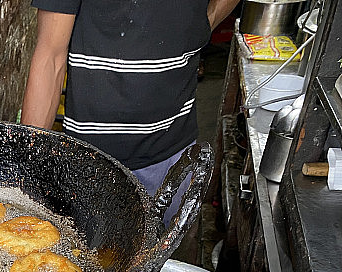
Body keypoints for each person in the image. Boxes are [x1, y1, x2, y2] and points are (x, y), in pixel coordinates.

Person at [21, 0, 239, 223]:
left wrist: (205, 19)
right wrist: (27, 170)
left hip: (172, 160)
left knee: (160, 251)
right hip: (90, 164)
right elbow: (51, 56)